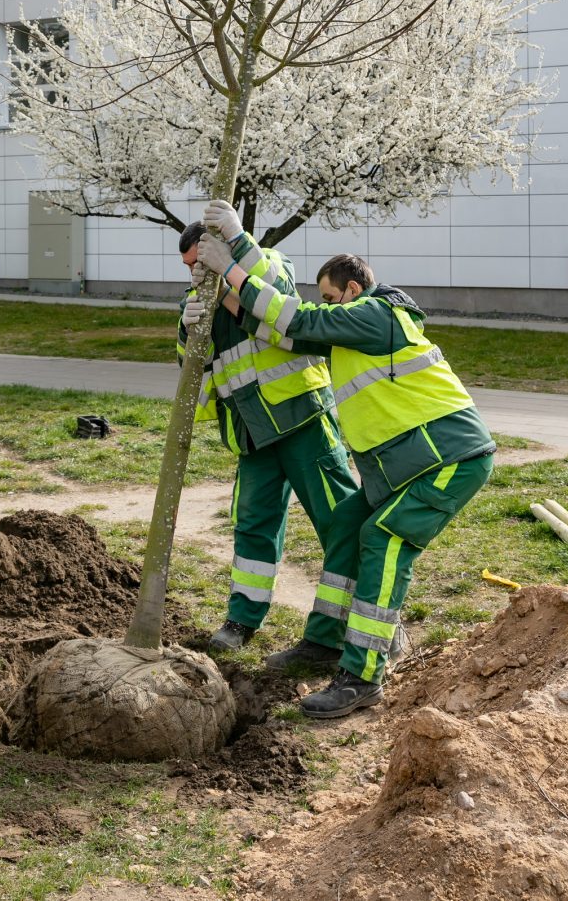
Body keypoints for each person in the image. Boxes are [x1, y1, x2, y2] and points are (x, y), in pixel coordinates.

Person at [197, 231, 496, 718]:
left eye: (331, 297)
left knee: (381, 539)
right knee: (345, 526)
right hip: (407, 462)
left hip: (450, 458)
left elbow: (296, 316)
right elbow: (284, 333)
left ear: (353, 289)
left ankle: (362, 675)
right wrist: (223, 299)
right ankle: (325, 640)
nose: (327, 306)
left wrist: (232, 264)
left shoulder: (377, 315)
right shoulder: (353, 328)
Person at [178, 202, 357, 652]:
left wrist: (238, 244)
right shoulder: (197, 298)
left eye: (199, 263)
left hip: (301, 419)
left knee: (340, 521)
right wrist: (186, 330)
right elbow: (189, 369)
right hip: (251, 433)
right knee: (252, 525)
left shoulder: (265, 261)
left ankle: (348, 625)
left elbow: (280, 296)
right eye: (187, 269)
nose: (194, 273)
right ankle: (242, 620)